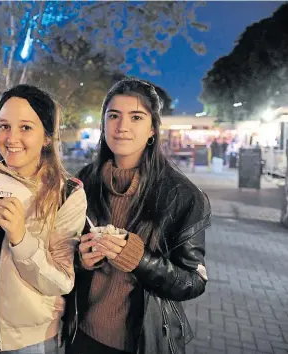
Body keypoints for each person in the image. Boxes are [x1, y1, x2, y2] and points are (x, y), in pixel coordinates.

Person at [64, 79, 211, 354]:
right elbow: (64, 249)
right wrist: (80, 259)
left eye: (136, 117)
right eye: (114, 116)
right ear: (103, 124)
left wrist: (139, 259)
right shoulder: (85, 182)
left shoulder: (182, 196)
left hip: (143, 342)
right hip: (80, 335)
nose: (122, 127)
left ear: (152, 128)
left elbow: (193, 281)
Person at [0, 85, 87, 353]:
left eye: (25, 128)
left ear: (46, 137)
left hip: (31, 339)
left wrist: (21, 238)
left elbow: (61, 281)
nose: (11, 138)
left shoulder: (67, 194)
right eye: (4, 126)